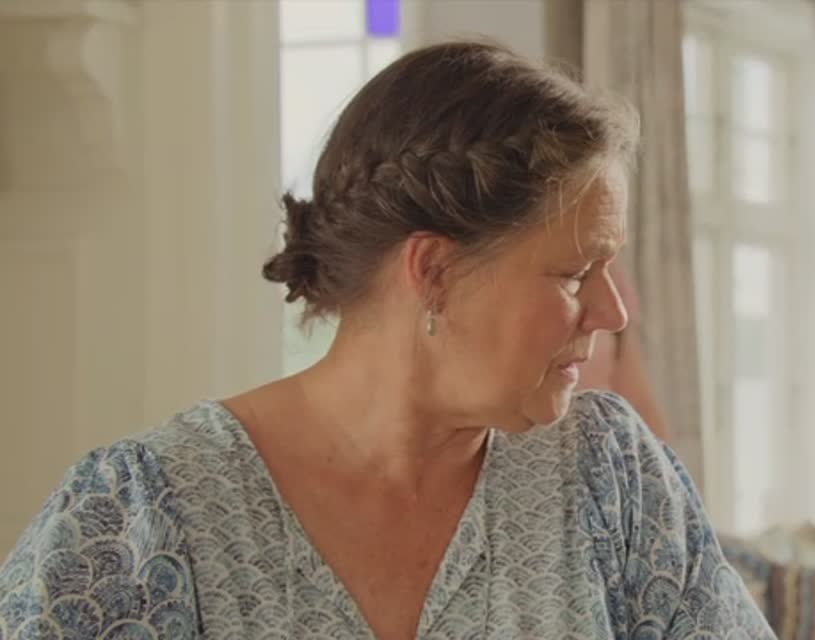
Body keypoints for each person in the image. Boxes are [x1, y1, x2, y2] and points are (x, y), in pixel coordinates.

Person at [0, 41, 771, 639]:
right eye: (574, 274)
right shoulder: (138, 517)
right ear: (433, 271)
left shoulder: (611, 477)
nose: (613, 312)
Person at [576, 265, 671, 440]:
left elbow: (637, 395)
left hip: (608, 442)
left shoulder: (613, 281)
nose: (617, 318)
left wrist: (663, 454)